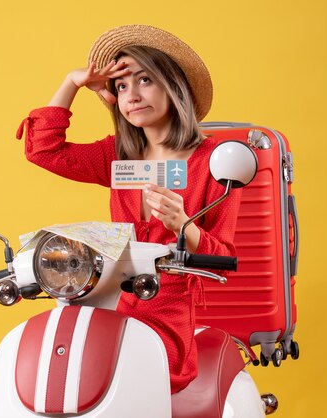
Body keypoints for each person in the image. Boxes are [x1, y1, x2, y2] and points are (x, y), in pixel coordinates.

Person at [15, 25, 241, 393]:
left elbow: (225, 256)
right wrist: (72, 82)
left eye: (145, 80)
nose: (132, 95)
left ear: (174, 86)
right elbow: (43, 150)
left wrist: (185, 226)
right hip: (106, 300)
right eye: (121, 86)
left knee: (140, 381)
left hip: (166, 308)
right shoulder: (117, 155)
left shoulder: (214, 163)